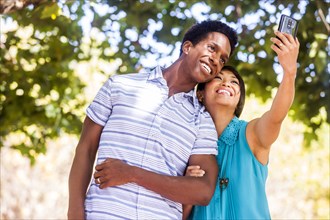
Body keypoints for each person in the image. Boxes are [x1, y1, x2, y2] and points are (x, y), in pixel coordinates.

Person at [68, 20, 238, 219]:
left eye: (223, 59)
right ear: (187, 46)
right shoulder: (120, 85)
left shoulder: (201, 121)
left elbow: (203, 191)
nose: (216, 60)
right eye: (212, 48)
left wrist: (132, 174)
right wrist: (75, 212)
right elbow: (85, 149)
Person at [183, 31, 300, 219]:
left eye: (234, 82)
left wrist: (289, 71)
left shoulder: (251, 134)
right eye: (218, 78)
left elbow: (276, 116)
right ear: (200, 94)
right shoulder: (187, 143)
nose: (227, 84)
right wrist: (187, 189)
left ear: (238, 100)